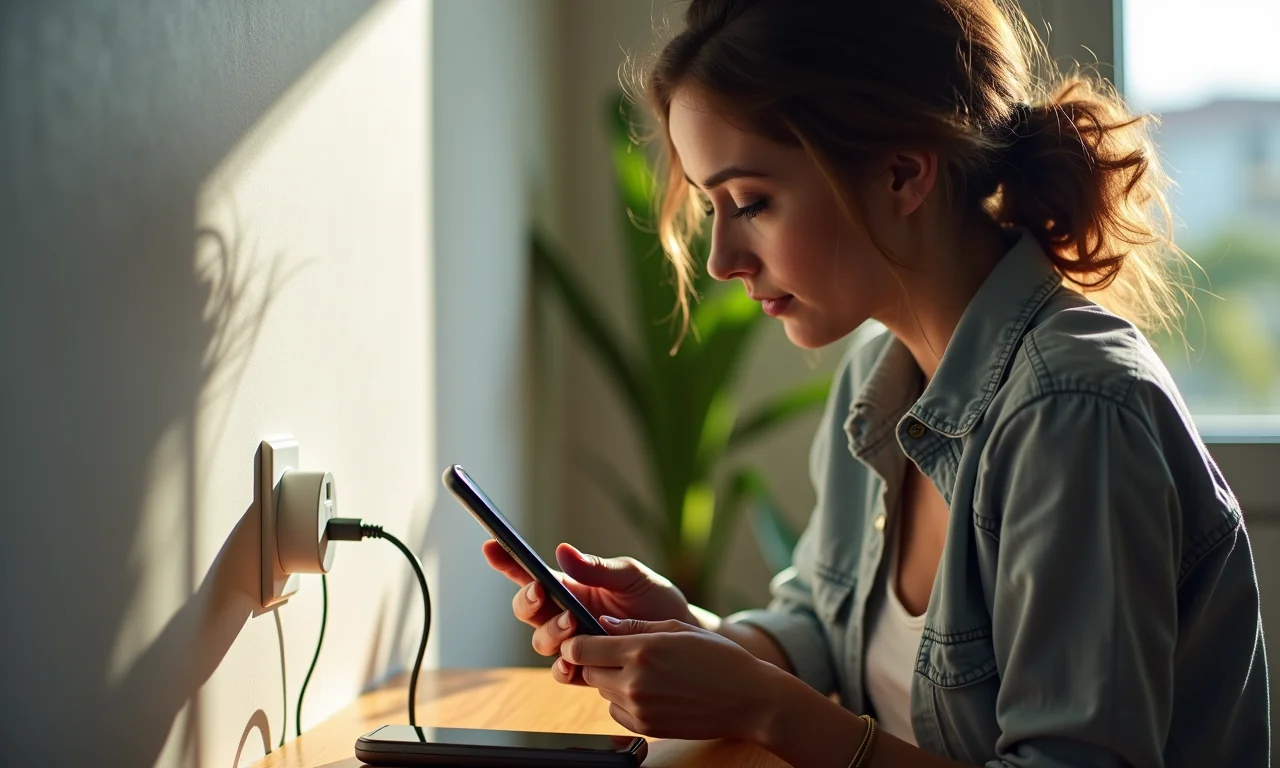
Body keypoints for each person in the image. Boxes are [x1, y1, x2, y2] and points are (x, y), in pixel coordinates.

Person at [482, 1, 1270, 765]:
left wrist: (766, 707)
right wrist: (688, 632)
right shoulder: (881, 373)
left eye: (751, 201)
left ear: (901, 174)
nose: (722, 259)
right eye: (712, 205)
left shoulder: (1071, 411)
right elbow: (823, 632)